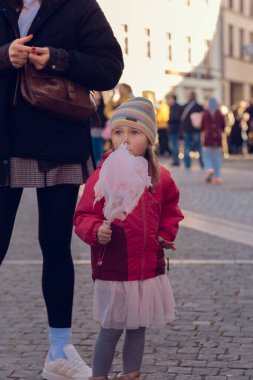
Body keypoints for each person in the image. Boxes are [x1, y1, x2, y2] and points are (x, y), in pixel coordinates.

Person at [0, 0, 123, 379]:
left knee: (56, 246)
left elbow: (110, 68)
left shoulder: (79, 6)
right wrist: (5, 55)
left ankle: (59, 350)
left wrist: (57, 59)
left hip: (58, 141)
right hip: (3, 142)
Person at [73, 97, 184, 380]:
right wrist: (96, 230)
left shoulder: (160, 177)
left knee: (138, 326)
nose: (125, 139)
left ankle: (131, 373)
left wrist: (164, 234)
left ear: (148, 140)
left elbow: (171, 208)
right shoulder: (103, 175)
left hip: (147, 267)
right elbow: (83, 215)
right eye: (119, 132)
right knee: (111, 328)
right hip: (114, 265)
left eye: (134, 133)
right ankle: (99, 375)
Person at [201, 97, 225, 184]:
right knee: (217, 158)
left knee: (207, 156)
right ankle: (217, 177)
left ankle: (209, 168)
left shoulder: (205, 113)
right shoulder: (219, 113)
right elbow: (223, 126)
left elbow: (202, 127)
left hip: (208, 137)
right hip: (217, 138)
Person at [180, 91, 203, 169]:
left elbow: (181, 118)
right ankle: (202, 163)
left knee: (187, 147)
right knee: (199, 147)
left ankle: (187, 164)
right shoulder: (199, 107)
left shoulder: (184, 106)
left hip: (186, 129)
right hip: (196, 129)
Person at [91, 92, 107, 166]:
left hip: (101, 131)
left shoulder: (104, 106)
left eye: (98, 93)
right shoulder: (91, 105)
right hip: (92, 130)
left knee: (100, 149)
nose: (96, 95)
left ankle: (99, 165)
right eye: (95, 93)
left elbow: (105, 118)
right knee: (95, 150)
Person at [167, 94, 182, 166]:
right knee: (174, 145)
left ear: (173, 99)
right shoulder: (172, 107)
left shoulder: (175, 107)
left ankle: (176, 161)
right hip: (174, 129)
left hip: (175, 129)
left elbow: (176, 118)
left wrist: (168, 121)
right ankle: (175, 161)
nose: (168, 100)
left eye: (169, 99)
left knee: (174, 146)